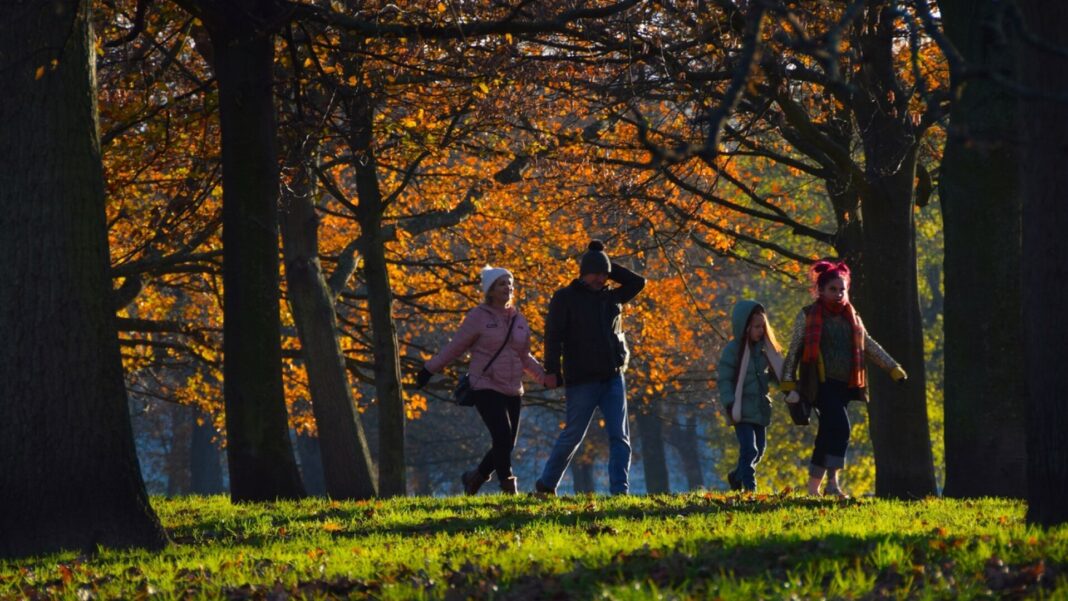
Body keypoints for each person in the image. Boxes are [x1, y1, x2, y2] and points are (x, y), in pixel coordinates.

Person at [415, 266, 550, 495]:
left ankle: (474, 478)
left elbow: (524, 356)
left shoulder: (519, 319)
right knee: (502, 436)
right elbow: (455, 347)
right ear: (490, 290)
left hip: (513, 388)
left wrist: (545, 378)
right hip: (485, 384)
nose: (507, 287)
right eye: (501, 284)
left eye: (510, 283)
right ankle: (508, 486)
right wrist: (429, 368)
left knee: (507, 443)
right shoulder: (478, 317)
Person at [781, 260, 908, 498]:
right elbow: (795, 349)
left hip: (845, 384)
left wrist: (892, 368)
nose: (839, 294)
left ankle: (815, 488)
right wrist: (788, 383)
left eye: (842, 289)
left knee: (828, 432)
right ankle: (832, 483)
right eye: (833, 289)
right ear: (820, 290)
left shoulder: (853, 317)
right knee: (841, 427)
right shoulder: (808, 315)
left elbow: (868, 345)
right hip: (819, 384)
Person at [534, 240, 646, 496]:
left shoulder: (611, 296)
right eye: (596, 273)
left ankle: (620, 491)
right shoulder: (564, 298)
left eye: (605, 274)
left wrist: (604, 260)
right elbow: (553, 336)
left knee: (620, 437)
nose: (602, 279)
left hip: (612, 377)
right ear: (583, 273)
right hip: (581, 380)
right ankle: (546, 485)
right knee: (572, 435)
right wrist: (552, 370)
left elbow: (639, 283)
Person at [717, 300, 783, 493]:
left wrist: (786, 383)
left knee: (759, 451)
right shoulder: (733, 351)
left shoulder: (765, 351)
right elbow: (725, 379)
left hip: (760, 410)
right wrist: (729, 401)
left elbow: (773, 375)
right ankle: (749, 489)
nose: (760, 331)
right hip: (741, 410)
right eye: (756, 327)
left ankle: (736, 476)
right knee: (749, 449)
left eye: (762, 326)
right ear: (745, 327)